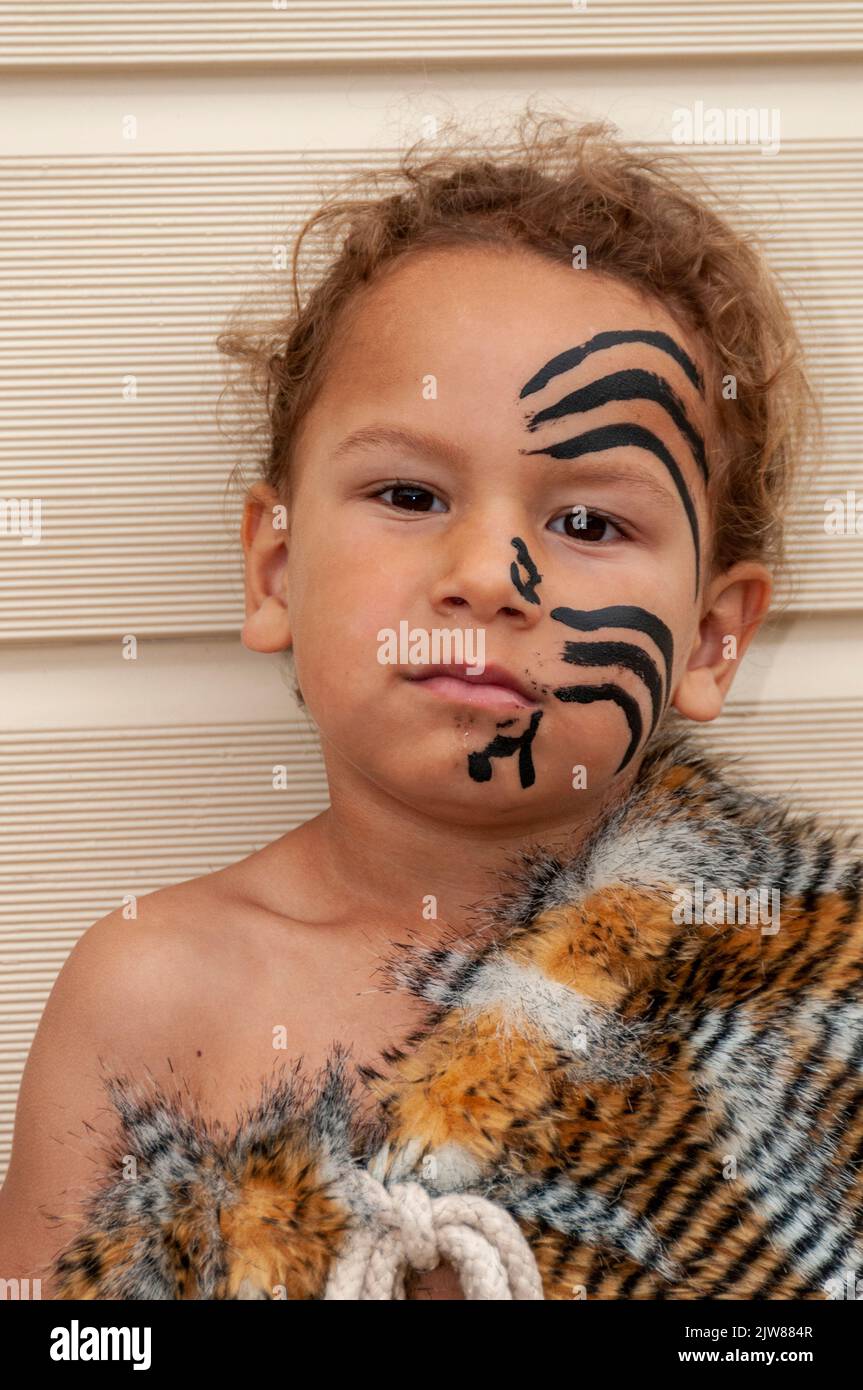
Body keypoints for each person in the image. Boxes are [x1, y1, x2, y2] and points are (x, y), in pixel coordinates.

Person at [0, 110, 830, 1300]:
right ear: (276, 569)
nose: (489, 573)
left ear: (709, 635)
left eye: (588, 523)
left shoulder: (781, 992)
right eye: (407, 490)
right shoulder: (151, 989)